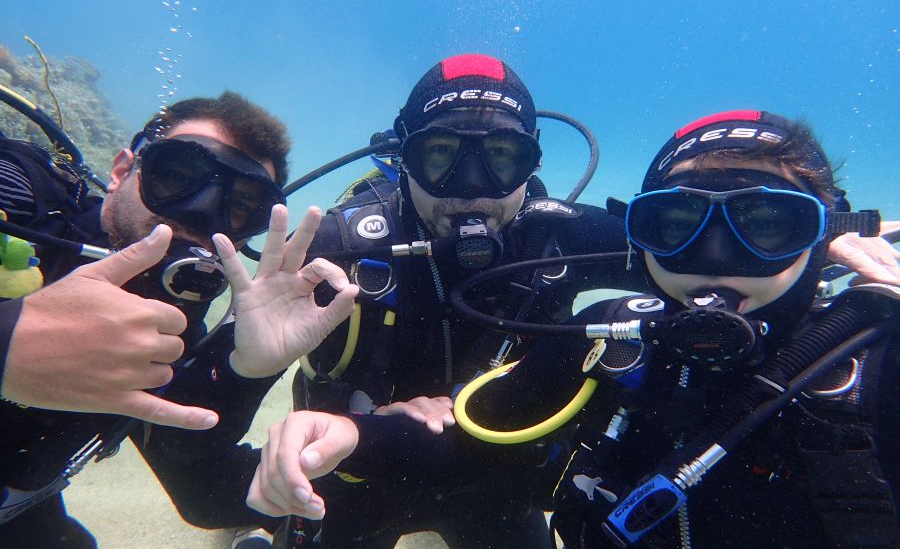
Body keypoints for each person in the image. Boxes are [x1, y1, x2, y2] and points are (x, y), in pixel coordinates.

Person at [285, 56, 898, 546]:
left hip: (488, 479)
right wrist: (321, 418)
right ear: (403, 155)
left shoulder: (566, 247)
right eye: (440, 154)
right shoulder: (328, 247)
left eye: (768, 224)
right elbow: (486, 442)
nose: (716, 258)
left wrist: (844, 251)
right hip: (378, 469)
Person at [0, 91, 358, 548]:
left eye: (240, 203)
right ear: (122, 171)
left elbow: (202, 493)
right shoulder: (21, 202)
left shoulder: (174, 324)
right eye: (177, 175)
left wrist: (243, 371)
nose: (201, 213)